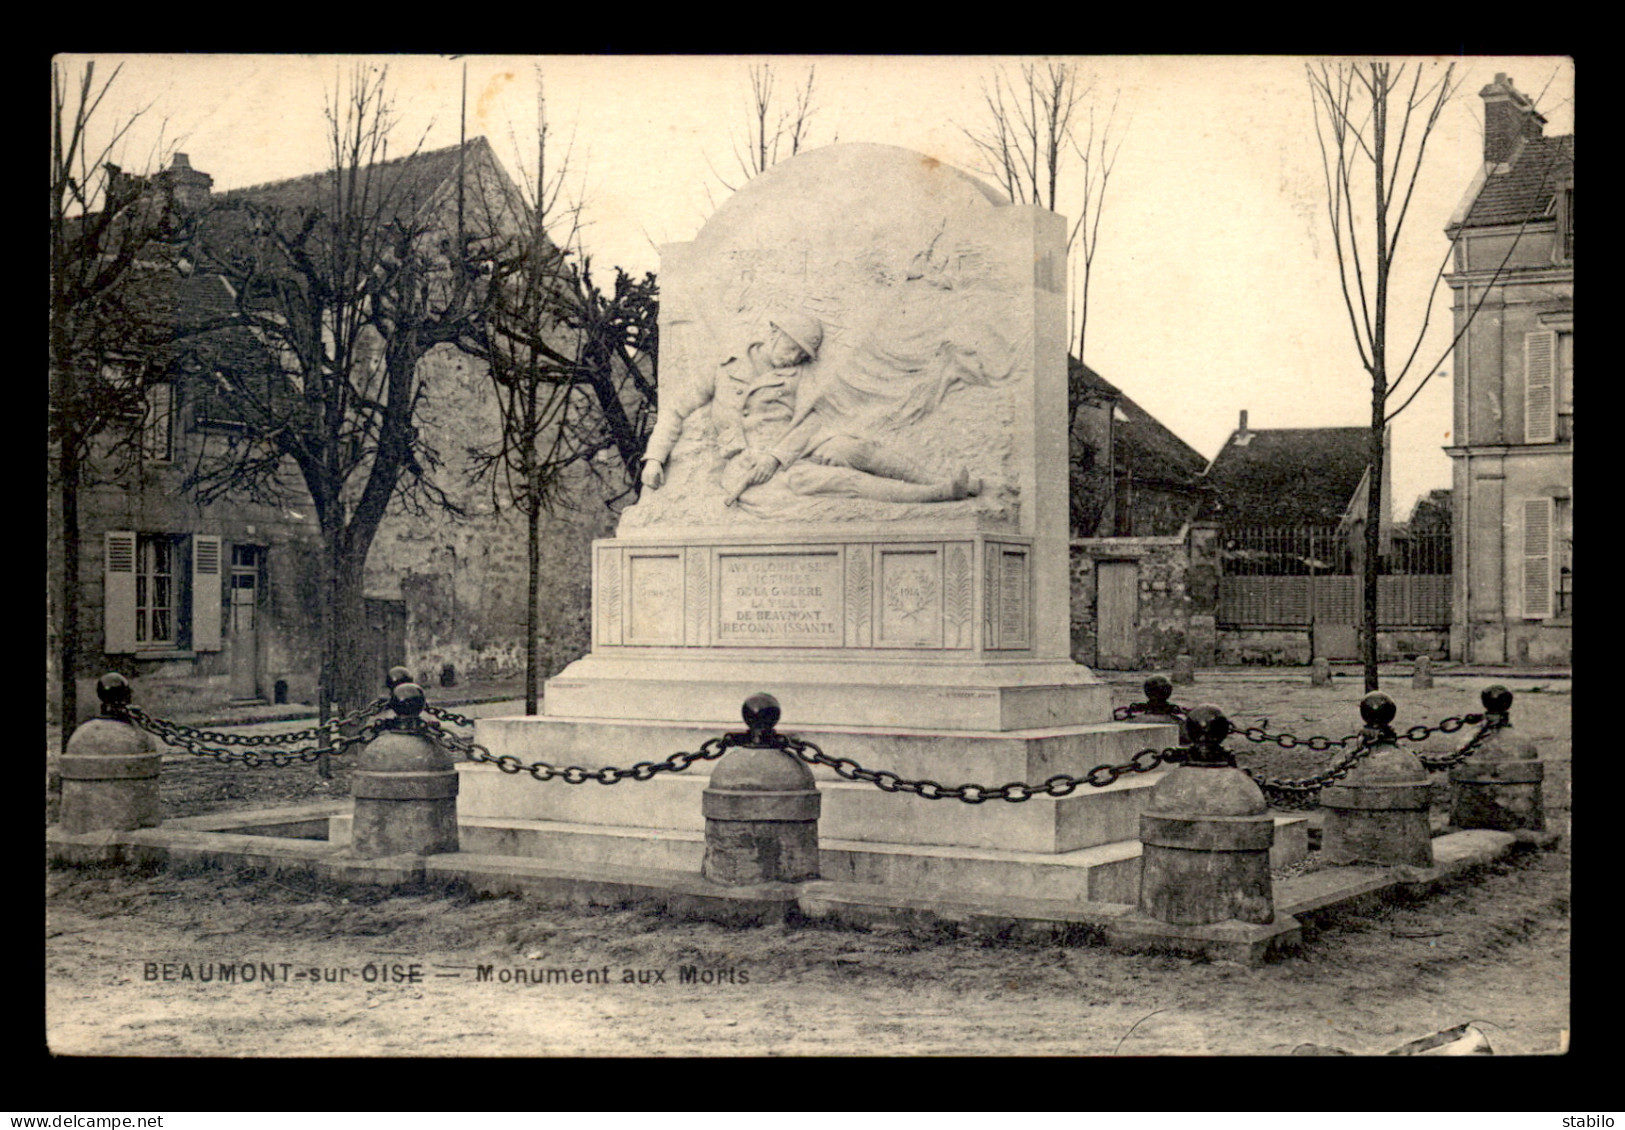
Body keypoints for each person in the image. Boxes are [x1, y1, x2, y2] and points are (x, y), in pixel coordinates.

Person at [641, 311, 980, 506]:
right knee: (837, 480)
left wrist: (776, 455)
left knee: (855, 448)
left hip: (787, 450)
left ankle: (940, 480)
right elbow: (675, 410)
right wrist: (655, 459)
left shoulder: (798, 375)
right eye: (793, 349)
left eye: (802, 356)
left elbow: (811, 420)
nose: (795, 359)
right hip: (747, 467)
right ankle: (933, 495)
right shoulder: (723, 368)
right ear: (774, 334)